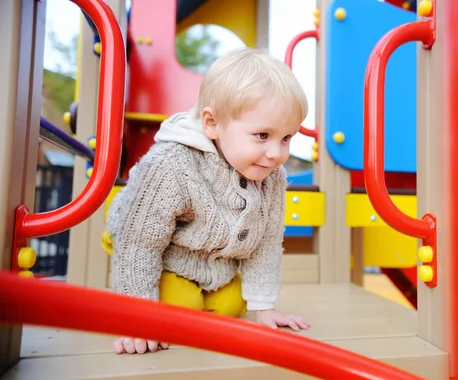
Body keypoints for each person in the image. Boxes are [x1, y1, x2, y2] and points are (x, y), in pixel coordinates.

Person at [105, 48, 311, 355]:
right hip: (148, 243)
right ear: (213, 124)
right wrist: (138, 317)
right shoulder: (172, 165)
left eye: (286, 138)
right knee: (182, 309)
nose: (277, 153)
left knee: (232, 306)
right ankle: (135, 293)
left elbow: (266, 242)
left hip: (211, 259)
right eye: (262, 135)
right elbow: (140, 242)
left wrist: (264, 306)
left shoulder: (272, 175)